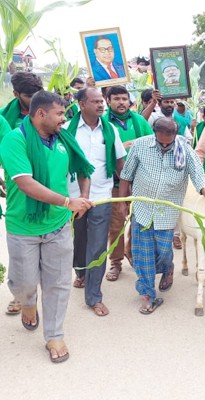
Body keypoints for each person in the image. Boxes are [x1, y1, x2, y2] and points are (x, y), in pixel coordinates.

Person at [0, 91, 94, 362]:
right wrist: (68, 201)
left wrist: (83, 197)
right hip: (23, 228)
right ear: (41, 114)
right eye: (60, 114)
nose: (65, 119)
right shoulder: (14, 140)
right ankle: (27, 303)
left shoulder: (64, 139)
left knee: (58, 283)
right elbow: (25, 183)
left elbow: (83, 169)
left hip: (58, 226)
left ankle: (54, 335)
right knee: (24, 282)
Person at [118, 117, 205, 314]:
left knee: (163, 251)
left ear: (175, 136)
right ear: (155, 134)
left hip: (167, 212)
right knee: (143, 253)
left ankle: (167, 268)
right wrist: (122, 202)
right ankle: (147, 294)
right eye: (161, 142)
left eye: (168, 143)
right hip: (142, 208)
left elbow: (198, 175)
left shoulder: (184, 149)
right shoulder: (141, 145)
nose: (164, 146)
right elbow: (126, 175)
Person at [63, 88, 126, 316]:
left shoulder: (110, 131)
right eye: (95, 101)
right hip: (72, 198)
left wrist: (126, 192)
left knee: (98, 246)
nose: (101, 105)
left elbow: (120, 163)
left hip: (102, 196)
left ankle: (94, 296)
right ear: (81, 104)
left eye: (102, 101)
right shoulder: (65, 130)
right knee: (79, 241)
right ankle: (81, 272)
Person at [1, 71, 44, 316]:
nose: (34, 99)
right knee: (20, 247)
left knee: (48, 241)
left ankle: (39, 290)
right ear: (16, 94)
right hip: (19, 186)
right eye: (29, 96)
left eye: (36, 93)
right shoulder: (5, 119)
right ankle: (21, 296)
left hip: (49, 185)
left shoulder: (52, 108)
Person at [104, 85, 154, 281]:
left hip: (140, 182)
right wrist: (121, 148)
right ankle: (116, 263)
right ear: (108, 101)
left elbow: (153, 143)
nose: (121, 102)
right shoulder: (104, 123)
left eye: (124, 98)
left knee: (140, 222)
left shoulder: (139, 121)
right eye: (116, 98)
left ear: (129, 101)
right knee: (116, 224)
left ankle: (131, 252)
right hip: (116, 183)